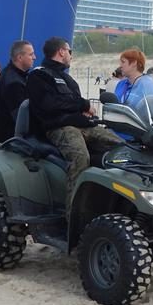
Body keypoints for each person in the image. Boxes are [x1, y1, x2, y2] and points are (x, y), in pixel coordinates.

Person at [26, 37, 122, 203]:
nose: (71, 55)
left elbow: (71, 103)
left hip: (82, 125)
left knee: (122, 147)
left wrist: (84, 112)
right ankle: (74, 211)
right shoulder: (38, 75)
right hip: (59, 127)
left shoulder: (67, 79)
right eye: (70, 51)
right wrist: (83, 105)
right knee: (80, 158)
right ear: (61, 52)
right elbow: (50, 105)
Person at [0, 40, 36, 148]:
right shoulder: (13, 81)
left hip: (5, 134)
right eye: (31, 54)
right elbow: (20, 116)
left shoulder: (15, 75)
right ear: (20, 57)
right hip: (8, 138)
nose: (34, 57)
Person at [116, 48, 153, 113]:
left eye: (123, 62)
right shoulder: (121, 84)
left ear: (134, 63)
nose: (120, 65)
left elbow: (152, 110)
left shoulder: (147, 85)